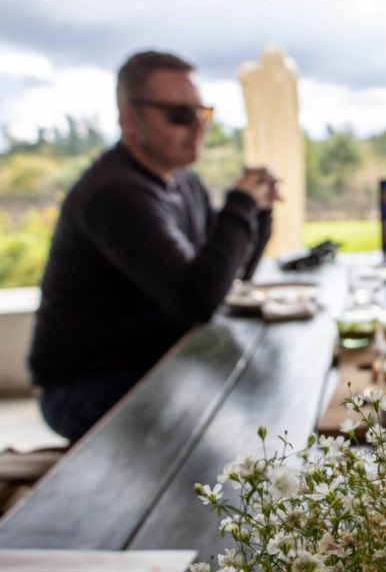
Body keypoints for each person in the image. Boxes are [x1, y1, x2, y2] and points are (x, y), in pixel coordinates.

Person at [28, 50, 279, 443]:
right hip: (91, 385)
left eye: (203, 113)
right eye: (181, 114)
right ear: (131, 119)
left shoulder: (183, 181)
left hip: (159, 359)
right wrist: (241, 204)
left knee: (258, 389)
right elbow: (197, 300)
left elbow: (228, 273)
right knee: (239, 422)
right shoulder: (116, 193)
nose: (198, 127)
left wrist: (257, 212)